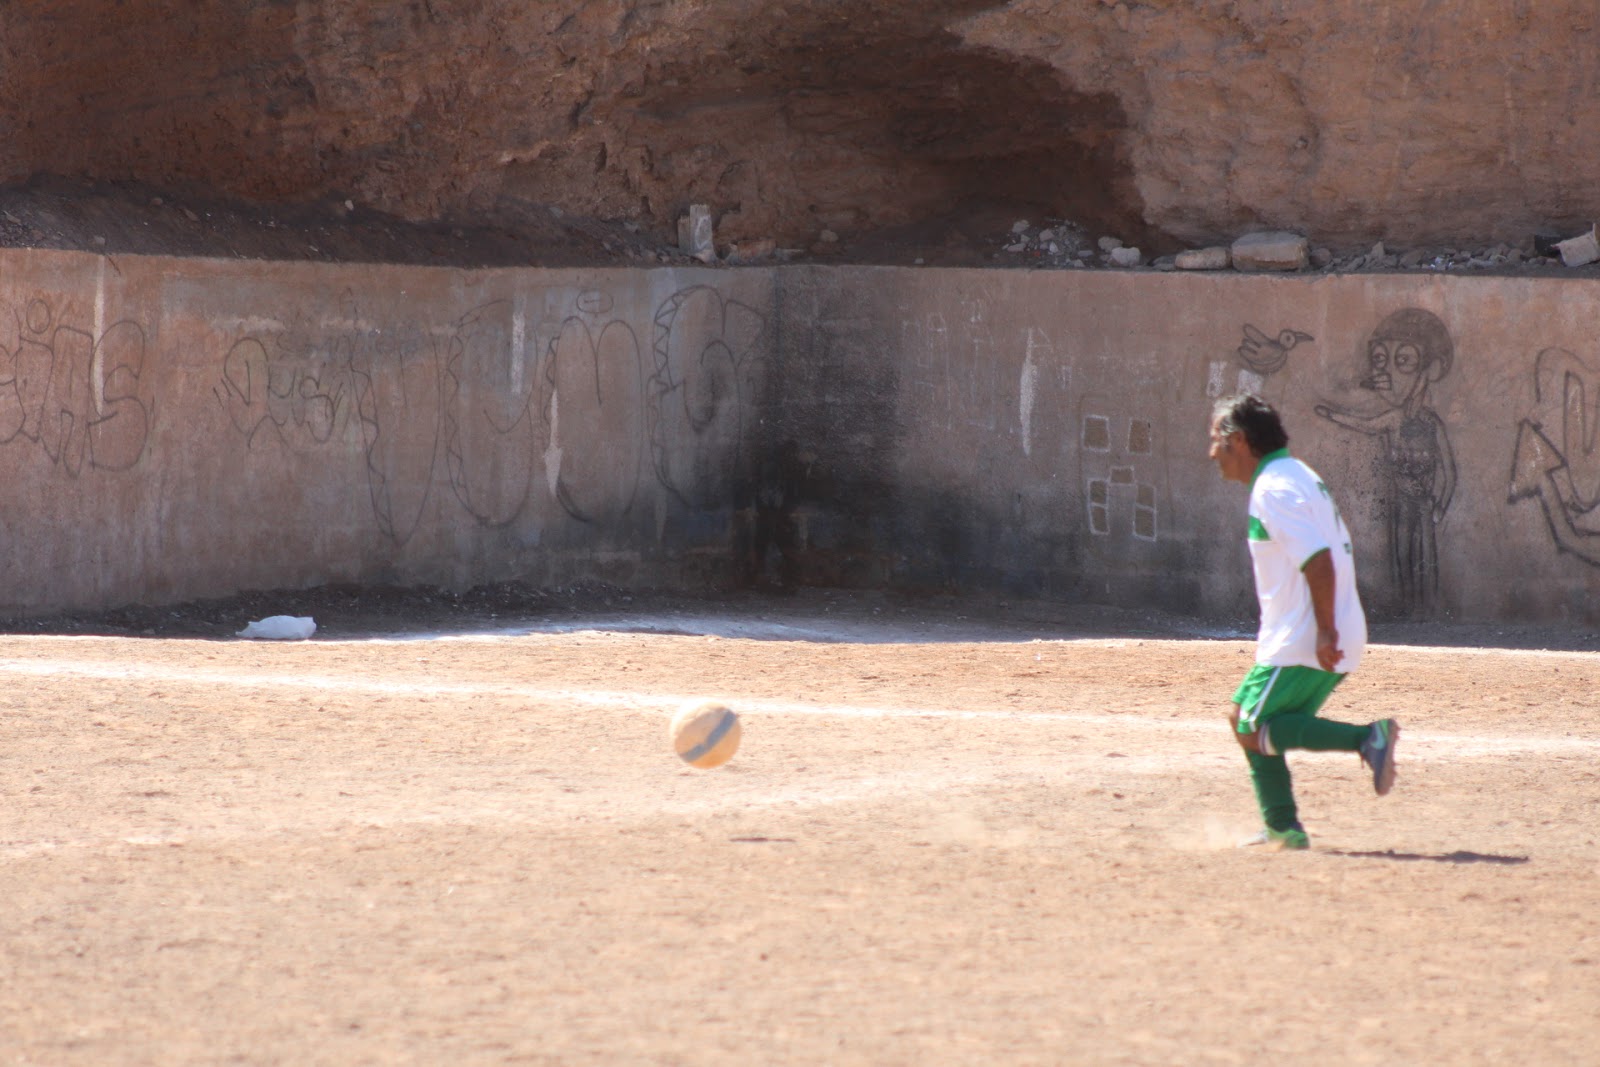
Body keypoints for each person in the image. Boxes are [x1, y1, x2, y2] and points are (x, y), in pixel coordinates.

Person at [1208, 393, 1399, 850]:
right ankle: (1282, 828)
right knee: (1249, 719)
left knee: (1250, 725)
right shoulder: (1294, 475)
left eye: (1216, 439)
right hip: (1316, 630)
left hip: (1306, 635)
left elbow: (1318, 560)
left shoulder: (1275, 488)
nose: (1211, 451)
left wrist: (1325, 630)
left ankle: (1367, 739)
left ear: (1239, 440)